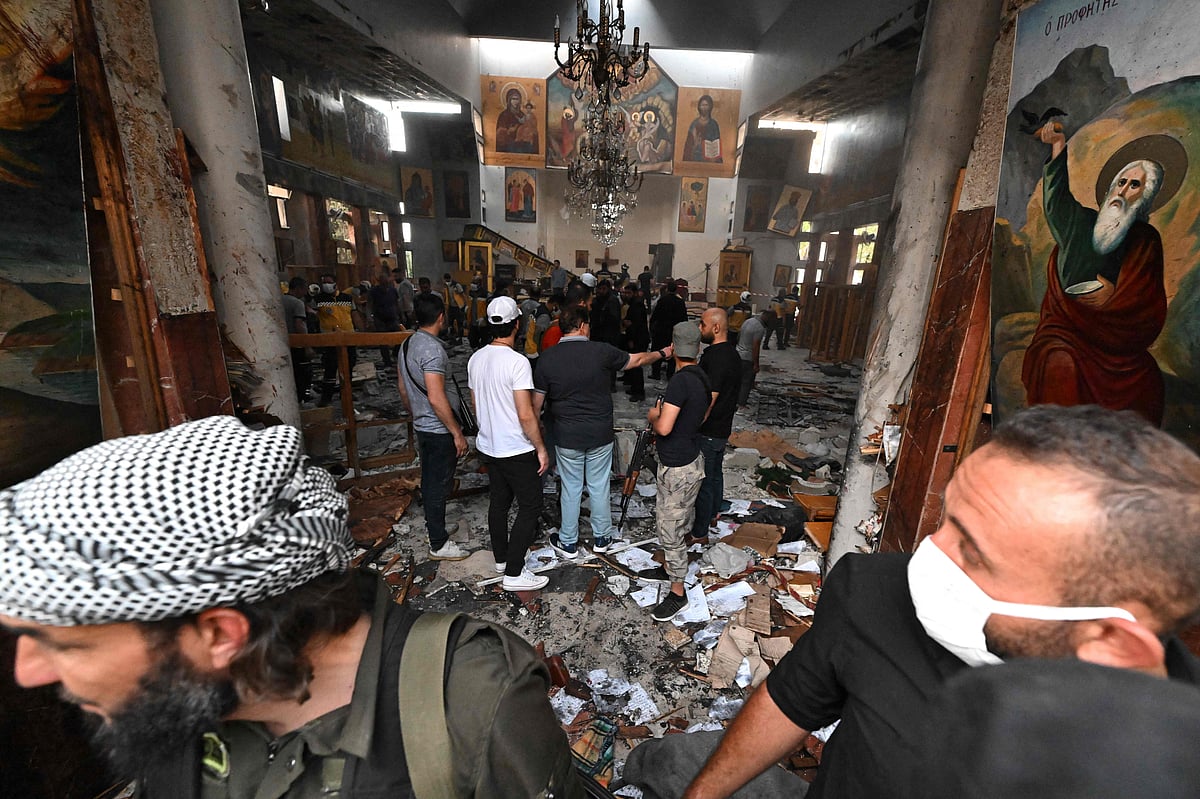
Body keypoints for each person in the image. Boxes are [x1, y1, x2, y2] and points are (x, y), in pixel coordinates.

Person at [0, 416, 584, 798]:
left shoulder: (471, 704)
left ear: (219, 634)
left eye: (64, 643)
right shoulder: (172, 714)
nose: (28, 671)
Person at [681, 404, 1200, 799]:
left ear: (1110, 641)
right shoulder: (874, 591)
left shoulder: (1163, 770)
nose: (928, 555)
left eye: (973, 553)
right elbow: (792, 699)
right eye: (948, 519)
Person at [1023, 123, 1168, 424]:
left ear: (1145, 196)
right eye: (1121, 182)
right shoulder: (1081, 222)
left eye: (1134, 185)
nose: (1123, 190)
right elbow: (1057, 202)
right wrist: (1058, 147)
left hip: (1116, 342)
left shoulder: (1145, 239)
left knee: (1148, 380)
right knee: (1059, 362)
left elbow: (1147, 301)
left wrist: (1114, 299)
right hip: (1066, 330)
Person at [534, 305, 673, 558]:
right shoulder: (601, 351)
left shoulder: (547, 358)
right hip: (600, 433)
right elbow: (638, 360)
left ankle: (568, 542)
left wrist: (538, 436)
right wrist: (662, 353)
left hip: (566, 435)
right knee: (599, 485)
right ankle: (602, 538)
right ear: (583, 326)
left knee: (571, 487)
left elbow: (536, 405)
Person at [468, 296, 551, 591]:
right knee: (531, 506)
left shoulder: (476, 359)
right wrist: (540, 447)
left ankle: (502, 559)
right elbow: (526, 414)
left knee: (499, 503)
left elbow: (476, 405)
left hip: (489, 446)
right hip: (515, 448)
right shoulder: (518, 362)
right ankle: (514, 573)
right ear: (517, 324)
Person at [397, 293, 472, 562]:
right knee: (438, 485)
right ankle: (439, 544)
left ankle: (436, 529)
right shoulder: (432, 351)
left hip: (423, 425)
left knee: (431, 481)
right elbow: (436, 397)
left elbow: (403, 389)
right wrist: (456, 432)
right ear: (441, 317)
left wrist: (416, 414)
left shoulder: (407, 344)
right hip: (439, 430)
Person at [646, 321, 712, 623]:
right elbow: (704, 414)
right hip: (689, 459)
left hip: (678, 467)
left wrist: (654, 414)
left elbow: (663, 427)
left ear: (673, 347)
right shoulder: (701, 376)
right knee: (677, 521)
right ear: (697, 347)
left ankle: (677, 592)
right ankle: (668, 568)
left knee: (670, 530)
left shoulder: (680, 382)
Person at [690, 309, 742, 544]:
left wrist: (692, 425)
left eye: (703, 324)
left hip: (710, 429)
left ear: (716, 327)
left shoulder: (718, 358)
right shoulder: (730, 354)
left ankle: (699, 533)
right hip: (722, 427)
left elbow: (710, 399)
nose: (700, 328)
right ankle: (712, 516)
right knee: (715, 475)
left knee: (704, 482)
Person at [315, 272, 363, 405]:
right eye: (324, 282)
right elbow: (311, 312)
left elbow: (354, 314)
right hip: (329, 340)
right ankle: (326, 397)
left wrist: (361, 332)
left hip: (348, 338)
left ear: (336, 283)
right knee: (330, 369)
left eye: (329, 282)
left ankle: (346, 394)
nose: (326, 285)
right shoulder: (318, 299)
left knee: (348, 367)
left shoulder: (347, 298)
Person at [649, 279, 688, 381]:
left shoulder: (662, 301)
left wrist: (652, 328)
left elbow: (655, 316)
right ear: (676, 290)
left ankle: (656, 373)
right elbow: (684, 319)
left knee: (658, 351)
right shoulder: (680, 302)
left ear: (667, 289)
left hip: (661, 331)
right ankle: (670, 374)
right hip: (674, 332)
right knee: (672, 352)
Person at [735, 308, 774, 407]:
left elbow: (738, 337)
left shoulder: (748, 321)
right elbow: (755, 347)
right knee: (746, 382)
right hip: (747, 358)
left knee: (738, 380)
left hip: (738, 354)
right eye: (771, 320)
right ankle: (741, 404)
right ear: (767, 317)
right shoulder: (759, 328)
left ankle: (735, 400)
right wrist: (756, 364)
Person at [283, 276, 312, 401]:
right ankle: (302, 397)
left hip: (282, 343)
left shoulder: (279, 300)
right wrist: (307, 346)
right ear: (299, 288)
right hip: (297, 345)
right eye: (305, 289)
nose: (305, 293)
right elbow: (299, 324)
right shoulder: (297, 303)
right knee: (303, 372)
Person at [620, 282, 651, 402]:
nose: (627, 295)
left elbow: (636, 325)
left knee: (637, 366)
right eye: (626, 293)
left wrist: (631, 339)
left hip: (638, 339)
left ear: (634, 293)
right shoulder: (633, 304)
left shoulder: (637, 305)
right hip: (636, 338)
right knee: (633, 366)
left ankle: (639, 392)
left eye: (629, 293)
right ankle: (634, 388)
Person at [369, 269, 401, 368]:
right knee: (383, 341)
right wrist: (370, 319)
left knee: (400, 337)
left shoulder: (393, 290)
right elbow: (369, 305)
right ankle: (387, 361)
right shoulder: (374, 291)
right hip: (380, 319)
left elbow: (396, 303)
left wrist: (400, 315)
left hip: (392, 318)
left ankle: (395, 354)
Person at [496, 87, 537, 153]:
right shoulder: (504, 115)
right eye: (513, 99)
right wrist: (509, 131)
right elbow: (499, 134)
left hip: (522, 143)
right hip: (508, 145)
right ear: (509, 100)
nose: (515, 101)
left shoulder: (522, 114)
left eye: (517, 99)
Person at [683, 94, 722, 163]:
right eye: (702, 105)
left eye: (706, 105)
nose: (704, 107)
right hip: (695, 157)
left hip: (709, 158)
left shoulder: (713, 124)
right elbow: (689, 144)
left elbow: (716, 142)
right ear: (699, 107)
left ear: (710, 107)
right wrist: (695, 142)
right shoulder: (694, 124)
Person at [441, 273, 467, 344]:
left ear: (450, 279)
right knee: (450, 323)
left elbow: (462, 294)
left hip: (458, 306)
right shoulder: (446, 286)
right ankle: (452, 338)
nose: (447, 281)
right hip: (451, 307)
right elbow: (445, 295)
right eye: (446, 280)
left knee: (459, 323)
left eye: (448, 280)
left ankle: (460, 338)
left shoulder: (456, 285)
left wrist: (465, 304)